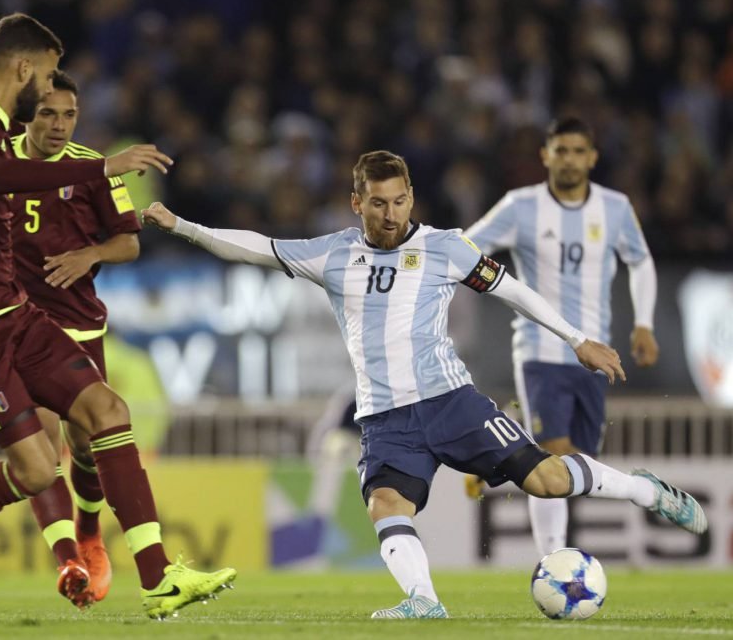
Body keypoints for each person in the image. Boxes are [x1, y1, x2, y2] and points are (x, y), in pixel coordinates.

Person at [143, 150, 706, 619]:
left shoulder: (446, 248)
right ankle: (423, 600)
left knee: (548, 480)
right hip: (385, 418)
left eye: (399, 201)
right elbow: (255, 247)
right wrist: (184, 228)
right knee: (386, 503)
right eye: (378, 204)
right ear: (357, 203)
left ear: (411, 197)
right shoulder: (333, 254)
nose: (390, 215)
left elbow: (513, 291)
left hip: (451, 402)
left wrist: (576, 339)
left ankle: (645, 491)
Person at [0, 12, 236, 617]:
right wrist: (102, 166)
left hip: (10, 311)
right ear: (23, 68)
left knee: (108, 412)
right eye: (45, 78)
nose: (48, 92)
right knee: (38, 470)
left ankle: (159, 579)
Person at [463, 118, 659, 556]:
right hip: (540, 350)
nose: (569, 159)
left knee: (578, 468)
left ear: (592, 158)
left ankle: (500, 446)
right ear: (545, 155)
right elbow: (466, 247)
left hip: (595, 354)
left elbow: (641, 261)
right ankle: (553, 560)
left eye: (577, 151)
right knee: (552, 455)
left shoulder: (615, 207)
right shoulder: (521, 206)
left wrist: (644, 323)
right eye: (561, 150)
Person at [8, 70, 142, 605]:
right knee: (42, 449)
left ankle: (89, 529)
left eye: (68, 115)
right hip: (16, 326)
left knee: (85, 446)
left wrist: (91, 254)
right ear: (27, 116)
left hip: (79, 324)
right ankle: (69, 562)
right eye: (48, 114)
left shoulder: (94, 169)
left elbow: (129, 243)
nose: (60, 125)